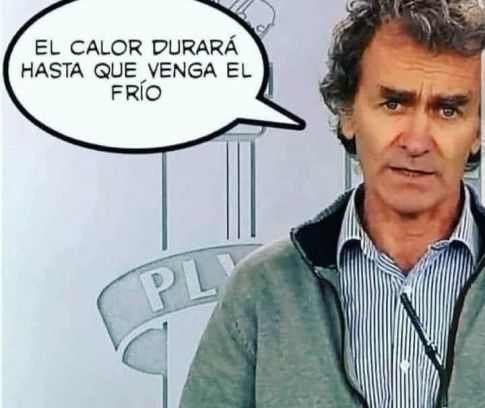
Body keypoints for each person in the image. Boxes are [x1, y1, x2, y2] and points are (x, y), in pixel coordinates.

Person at [180, 1, 485, 407]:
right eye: (393, 104)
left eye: (448, 110)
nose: (415, 142)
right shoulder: (262, 290)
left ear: (477, 131)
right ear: (347, 114)